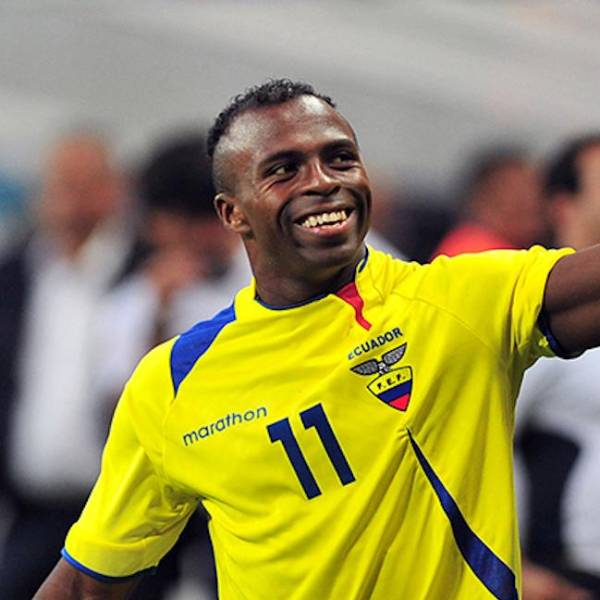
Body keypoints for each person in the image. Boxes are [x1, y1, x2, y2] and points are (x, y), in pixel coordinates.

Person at [35, 79, 600, 599]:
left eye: (340, 158)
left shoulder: (459, 302)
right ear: (233, 214)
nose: (324, 181)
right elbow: (87, 583)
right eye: (284, 169)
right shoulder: (174, 381)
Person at [0, 131, 143, 599]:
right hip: (32, 507)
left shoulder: (146, 271)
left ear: (116, 189)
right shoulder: (17, 272)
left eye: (86, 183)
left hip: (124, 509)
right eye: (61, 184)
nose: (72, 199)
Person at [516, 134, 600, 600]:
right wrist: (522, 574)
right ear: (564, 205)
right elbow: (464, 442)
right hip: (565, 577)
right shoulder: (527, 309)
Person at [431, 147, 548, 258]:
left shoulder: (511, 251)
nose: (532, 200)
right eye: (518, 194)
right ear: (482, 201)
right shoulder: (475, 251)